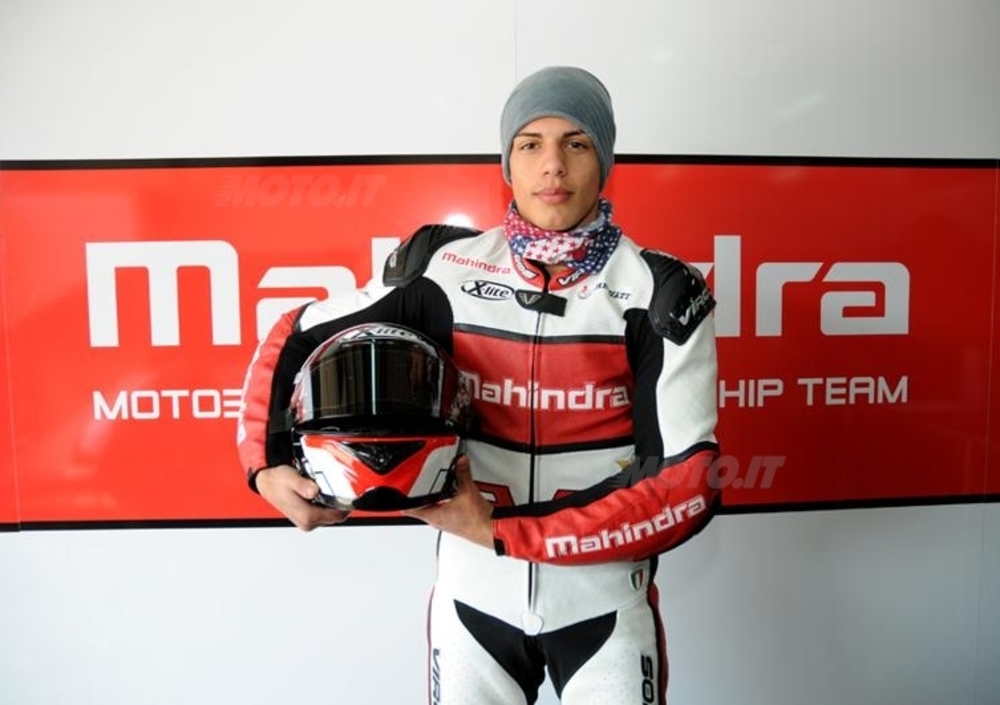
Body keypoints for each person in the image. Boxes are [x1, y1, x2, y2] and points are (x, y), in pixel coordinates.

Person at [237, 65, 720, 704]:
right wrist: (265, 464)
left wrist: (499, 529)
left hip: (602, 606)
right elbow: (293, 334)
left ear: (604, 161)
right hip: (473, 606)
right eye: (530, 144)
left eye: (576, 143)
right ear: (507, 163)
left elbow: (687, 486)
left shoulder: (660, 291)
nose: (553, 165)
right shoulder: (442, 266)